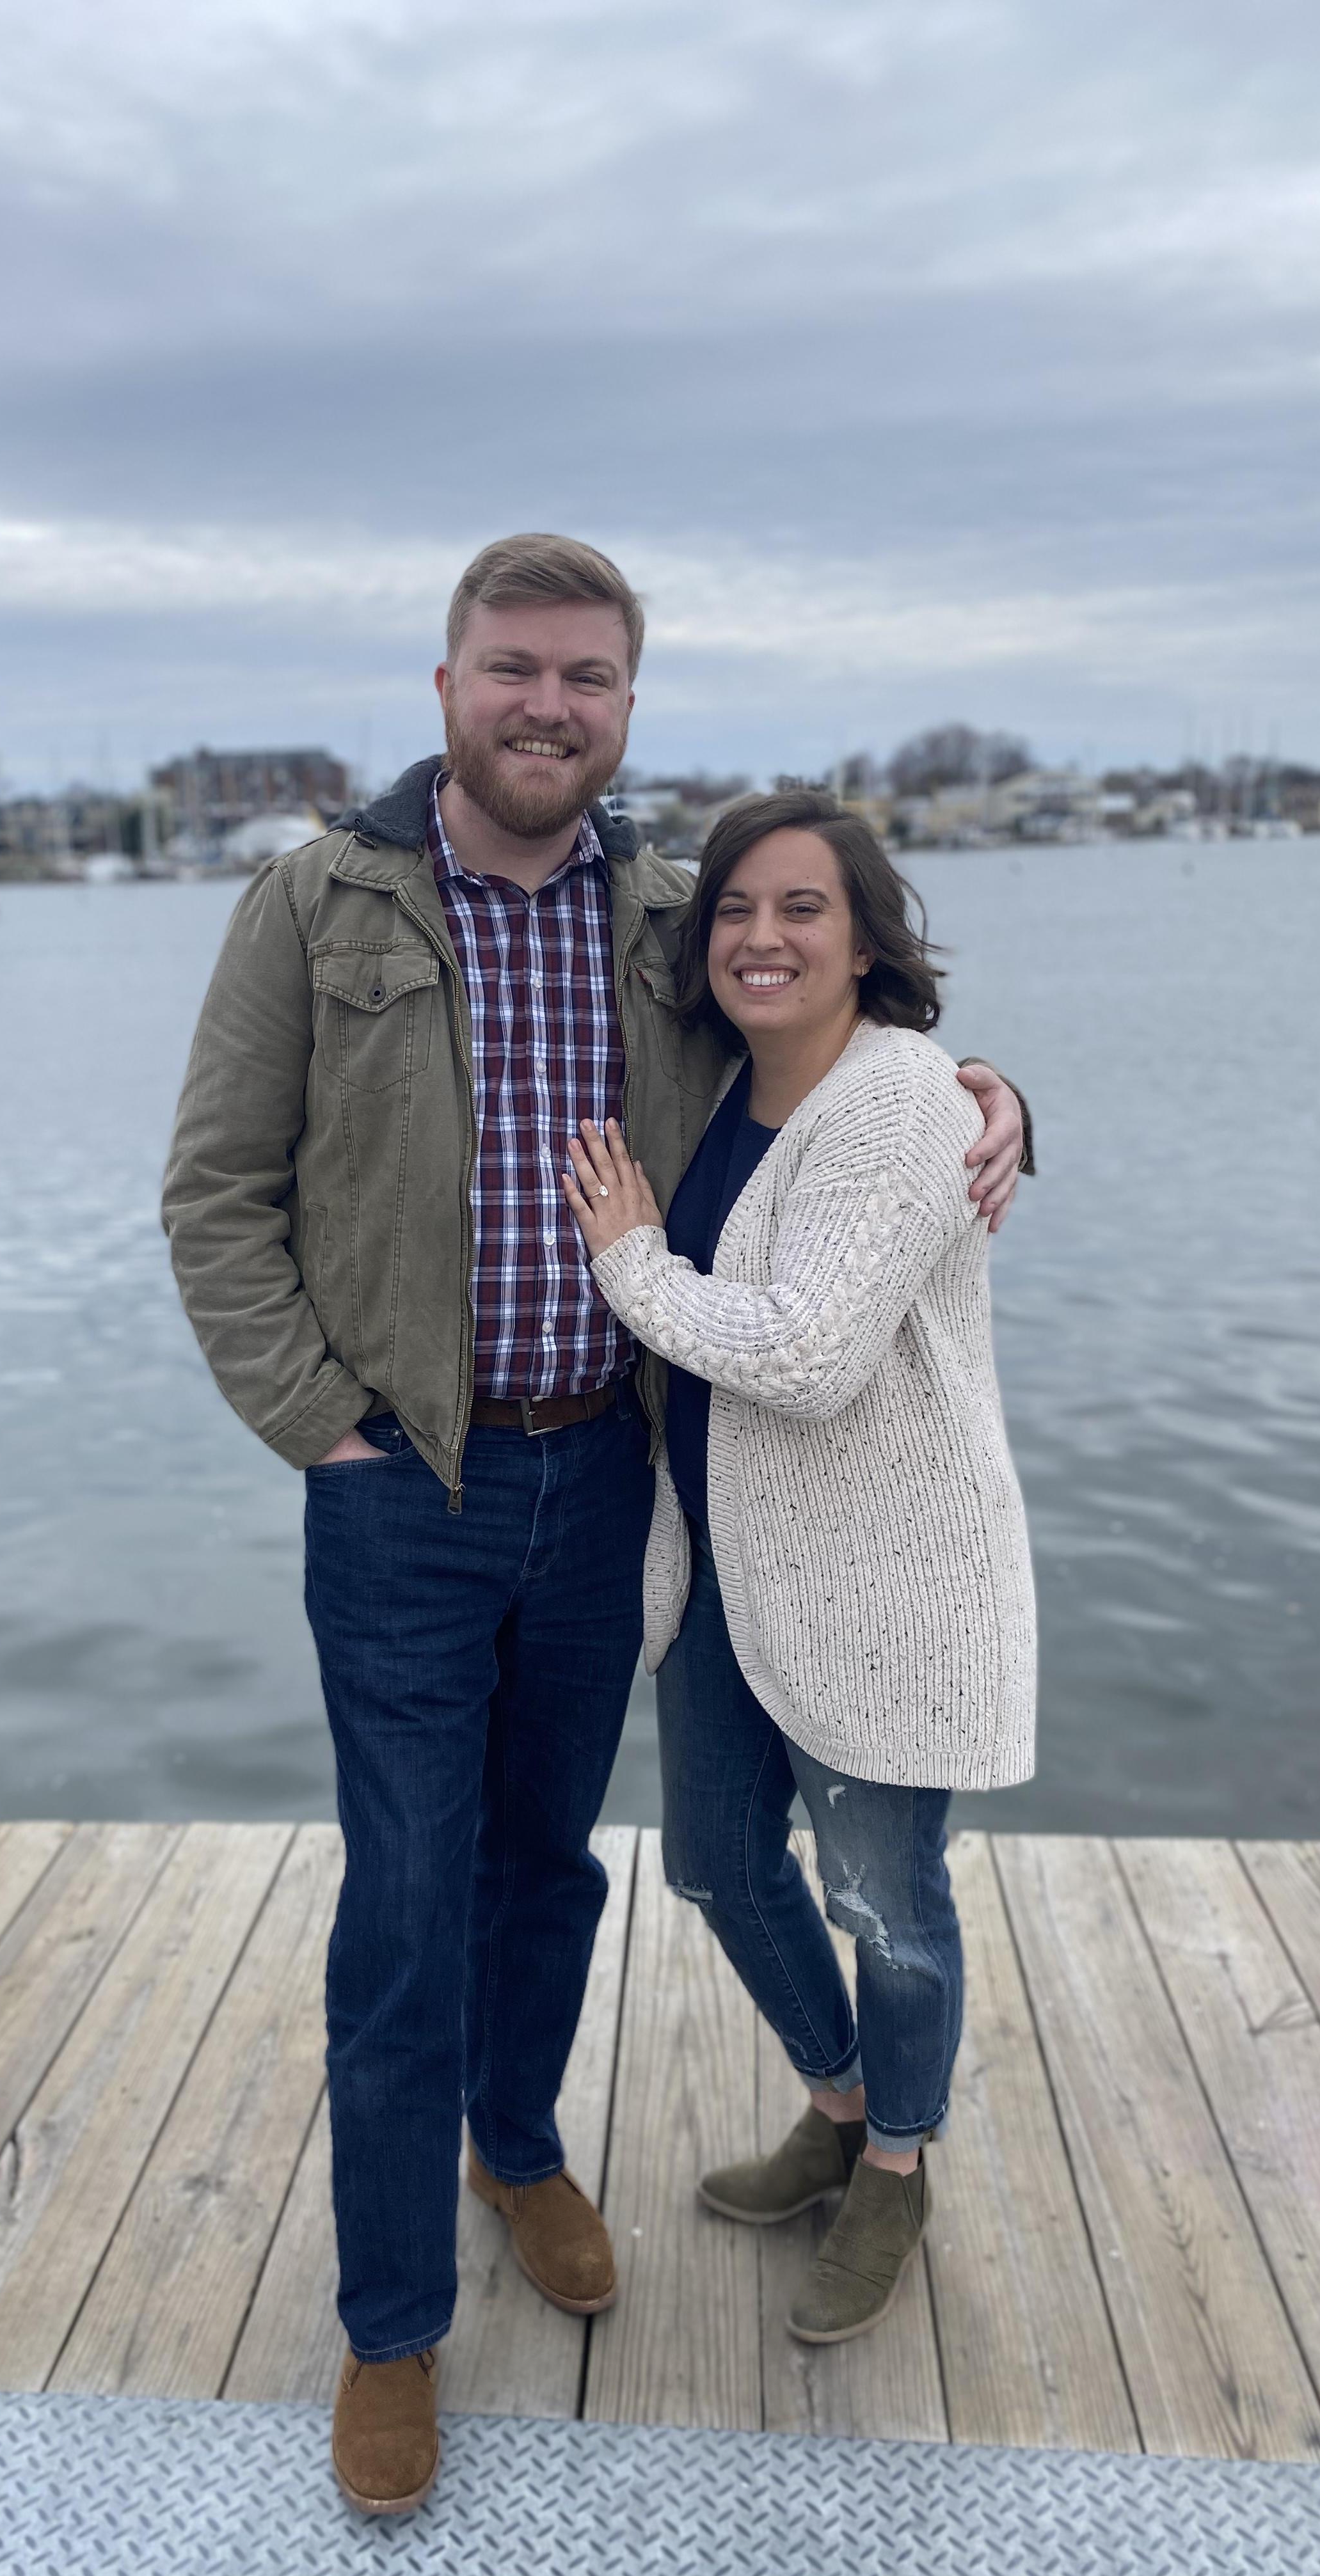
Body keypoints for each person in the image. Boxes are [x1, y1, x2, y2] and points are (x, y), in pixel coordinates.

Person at [161, 536, 1030, 2516]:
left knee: (549, 1868)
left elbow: (833, 1054)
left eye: (589, 679)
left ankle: (518, 2139)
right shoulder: (316, 905)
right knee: (403, 1909)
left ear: (627, 707)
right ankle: (393, 2332)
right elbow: (215, 1196)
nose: (549, 704)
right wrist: (324, 1431)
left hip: (615, 1475)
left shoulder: (670, 914)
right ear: (449, 684)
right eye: (514, 669)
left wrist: (990, 1084)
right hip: (407, 1490)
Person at [561, 786, 1035, 2347]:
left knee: (889, 1905)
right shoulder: (724, 1084)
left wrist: (630, 1264)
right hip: (719, 1568)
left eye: (802, 908)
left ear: (866, 935)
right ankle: (841, 2107)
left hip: (884, 1581)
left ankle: (895, 2165)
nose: (763, 938)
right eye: (738, 913)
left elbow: (816, 1355)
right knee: (713, 1859)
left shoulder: (897, 1100)